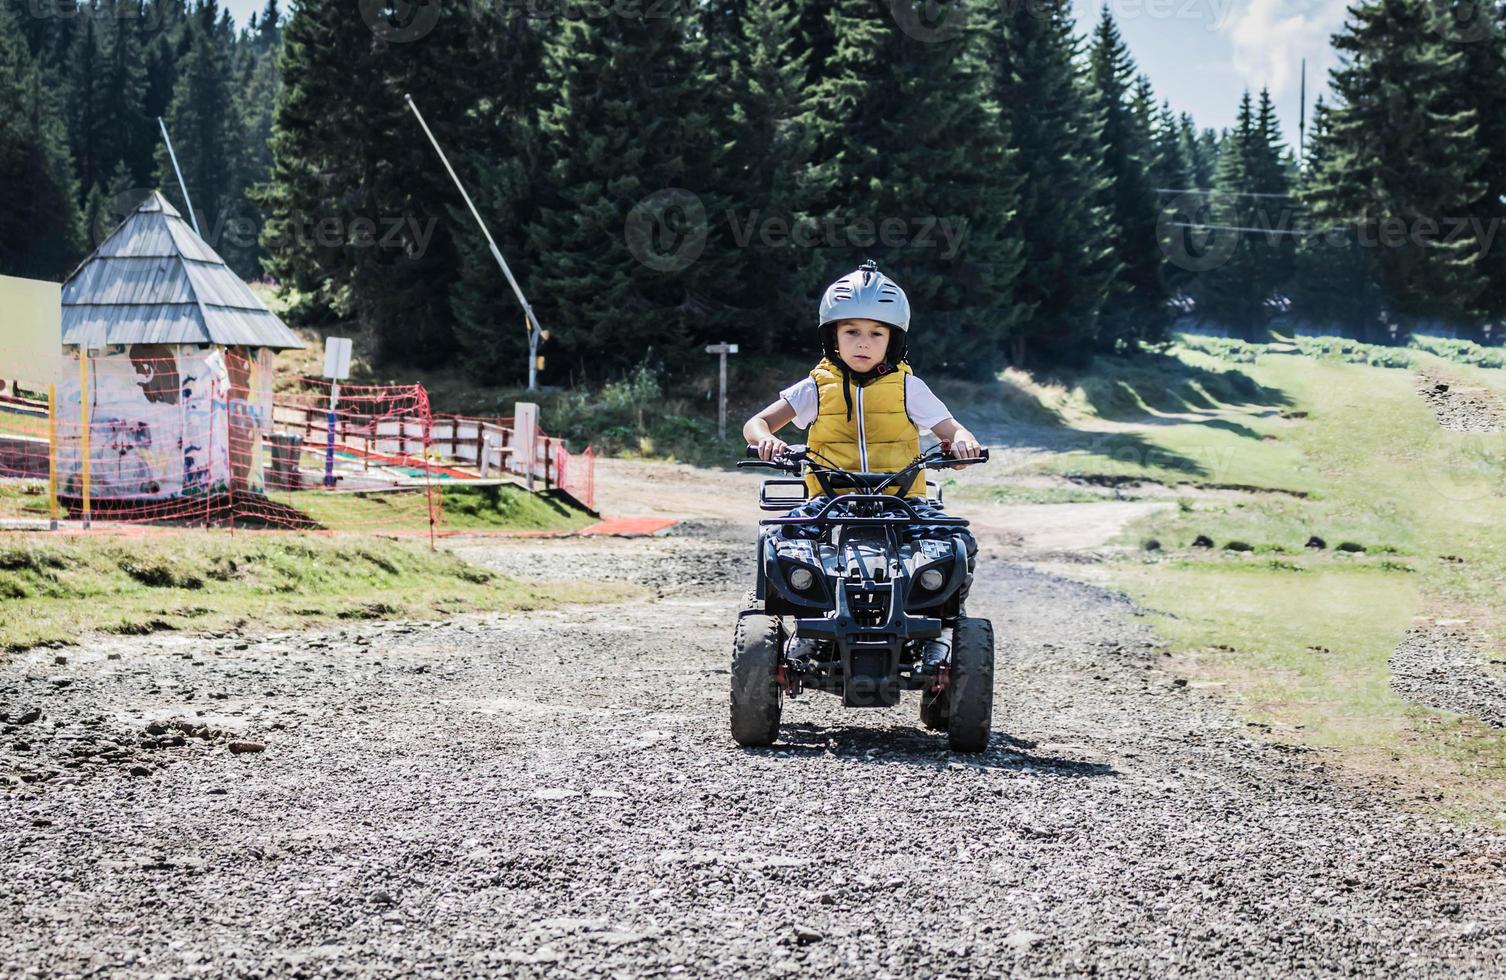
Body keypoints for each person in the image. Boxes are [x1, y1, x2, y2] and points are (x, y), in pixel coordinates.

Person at [741, 260, 983, 669]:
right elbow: (757, 423)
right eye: (851, 331)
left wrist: (961, 443)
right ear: (832, 336)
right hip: (830, 499)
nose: (863, 343)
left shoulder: (909, 386)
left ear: (894, 340)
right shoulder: (816, 387)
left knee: (953, 544)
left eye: (876, 333)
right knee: (785, 543)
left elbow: (952, 428)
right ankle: (807, 628)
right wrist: (766, 440)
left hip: (903, 499)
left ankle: (937, 634)